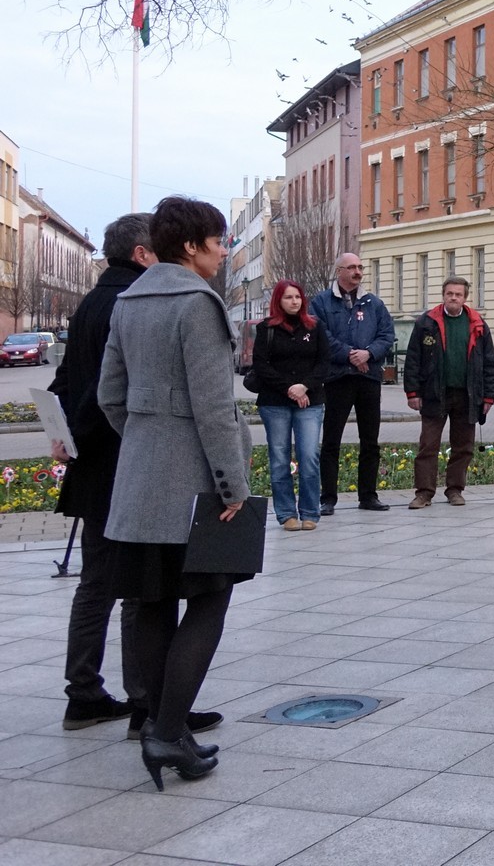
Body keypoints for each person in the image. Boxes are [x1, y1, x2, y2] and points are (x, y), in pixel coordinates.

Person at [98, 195, 253, 790]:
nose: (224, 251)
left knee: (154, 602)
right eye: (218, 241)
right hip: (195, 484)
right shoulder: (198, 303)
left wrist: (147, 441)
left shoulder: (128, 301)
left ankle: (169, 731)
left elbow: (110, 397)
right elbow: (214, 408)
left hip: (140, 481)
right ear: (190, 247)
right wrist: (232, 485)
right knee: (210, 600)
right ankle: (166, 732)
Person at [50, 213, 154, 734]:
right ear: (140, 254)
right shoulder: (131, 302)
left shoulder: (91, 301)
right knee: (137, 585)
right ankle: (146, 704)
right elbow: (108, 391)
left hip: (92, 463)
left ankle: (84, 693)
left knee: (95, 583)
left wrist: (67, 433)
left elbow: (65, 380)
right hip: (122, 459)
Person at [402, 276, 494, 508]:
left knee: (463, 446)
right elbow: (413, 358)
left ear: (465, 298)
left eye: (458, 294)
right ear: (443, 295)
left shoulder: (477, 324)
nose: (453, 298)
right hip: (434, 393)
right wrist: (412, 392)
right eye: (449, 294)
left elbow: (489, 362)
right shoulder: (427, 322)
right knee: (428, 445)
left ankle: (455, 490)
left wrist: (489, 396)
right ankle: (424, 493)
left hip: (468, 395)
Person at [311, 253, 396, 513]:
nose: (358, 271)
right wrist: (349, 354)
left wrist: (368, 353)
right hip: (338, 379)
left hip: (368, 378)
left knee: (370, 440)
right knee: (331, 440)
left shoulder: (374, 303)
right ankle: (328, 498)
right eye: (351, 267)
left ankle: (368, 496)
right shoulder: (321, 302)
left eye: (360, 267)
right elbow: (320, 335)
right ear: (339, 271)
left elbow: (387, 335)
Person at [252, 280, 329, 531]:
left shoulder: (315, 326)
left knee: (309, 456)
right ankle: (286, 513)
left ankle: (310, 512)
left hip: (310, 401)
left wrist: (304, 387)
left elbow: (324, 363)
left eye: (297, 297)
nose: (294, 301)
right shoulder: (267, 329)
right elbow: (261, 365)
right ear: (278, 301)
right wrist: (290, 389)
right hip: (275, 402)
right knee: (279, 459)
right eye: (288, 297)